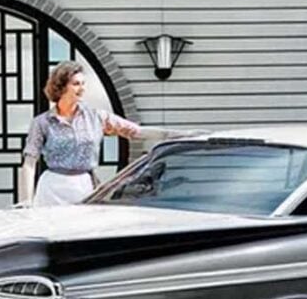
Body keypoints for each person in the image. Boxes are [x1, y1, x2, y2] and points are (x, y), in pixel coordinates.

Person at [17, 60, 200, 207]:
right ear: (60, 87)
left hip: (83, 186)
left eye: (83, 83)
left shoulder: (96, 117)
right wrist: (26, 201)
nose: (82, 88)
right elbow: (29, 162)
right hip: (52, 188)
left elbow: (136, 132)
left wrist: (178, 134)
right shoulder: (42, 122)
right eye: (76, 84)